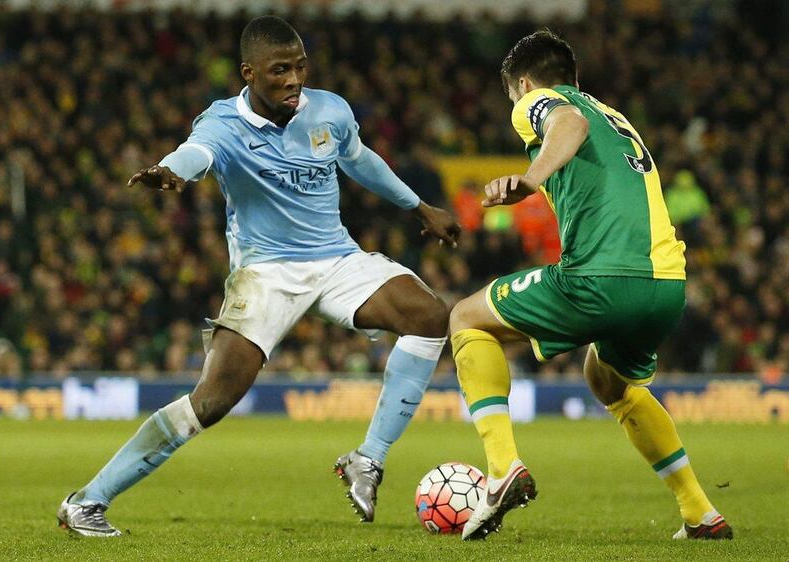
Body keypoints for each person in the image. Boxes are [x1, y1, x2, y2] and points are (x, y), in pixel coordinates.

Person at [57, 15, 460, 537]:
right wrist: (170, 170)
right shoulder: (223, 124)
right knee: (212, 402)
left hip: (336, 259)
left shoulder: (330, 110)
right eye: (279, 71)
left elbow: (360, 161)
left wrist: (419, 206)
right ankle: (86, 503)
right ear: (248, 72)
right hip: (266, 272)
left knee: (430, 317)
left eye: (299, 67)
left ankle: (369, 458)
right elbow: (197, 153)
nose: (293, 80)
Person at [449, 30, 732, 541]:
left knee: (465, 318)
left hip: (600, 278)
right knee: (609, 382)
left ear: (524, 82)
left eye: (514, 94)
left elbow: (567, 123)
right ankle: (700, 513)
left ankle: (501, 469)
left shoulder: (541, 100)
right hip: (666, 286)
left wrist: (531, 180)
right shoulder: (617, 118)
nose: (516, 105)